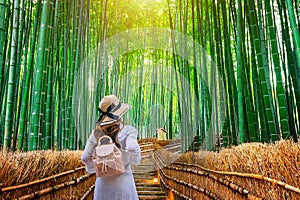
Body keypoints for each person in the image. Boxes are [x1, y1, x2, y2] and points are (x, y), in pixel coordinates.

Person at [81, 95, 141, 200]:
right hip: (124, 184)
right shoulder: (128, 131)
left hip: (103, 186)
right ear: (119, 114)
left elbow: (85, 157)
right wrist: (134, 161)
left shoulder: (96, 133)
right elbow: (132, 149)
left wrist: (99, 167)